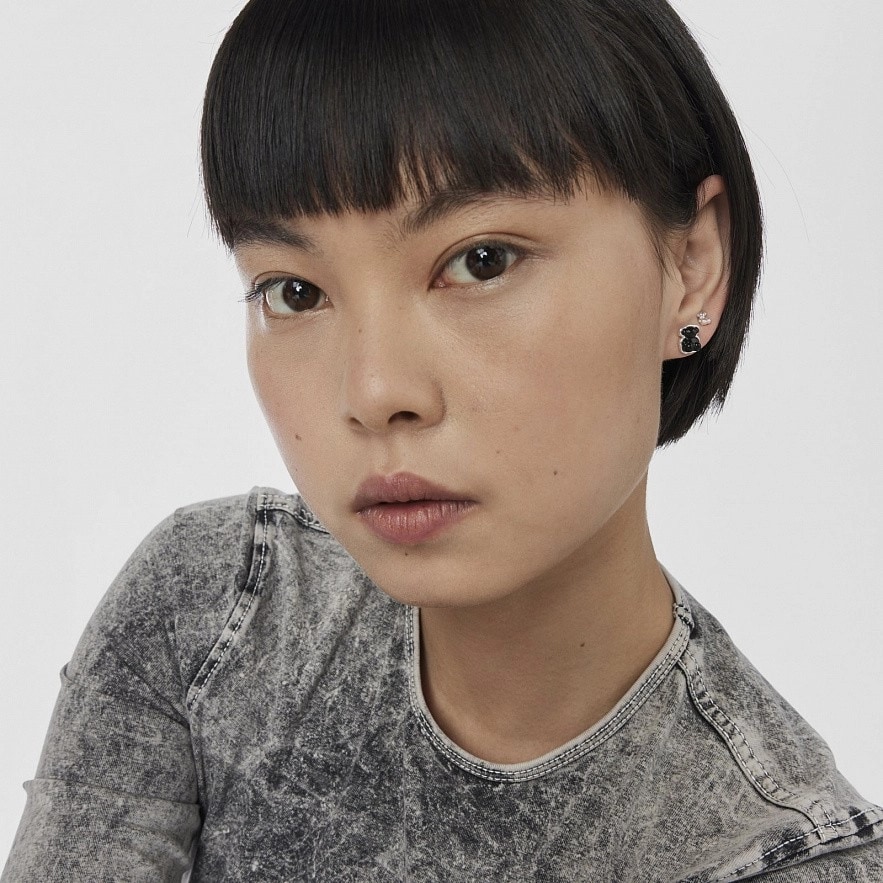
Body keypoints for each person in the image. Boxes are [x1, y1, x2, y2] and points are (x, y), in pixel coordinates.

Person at [3, 0, 882, 879]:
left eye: (480, 260)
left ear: (691, 268)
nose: (375, 392)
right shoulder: (214, 619)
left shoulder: (776, 859)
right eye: (294, 291)